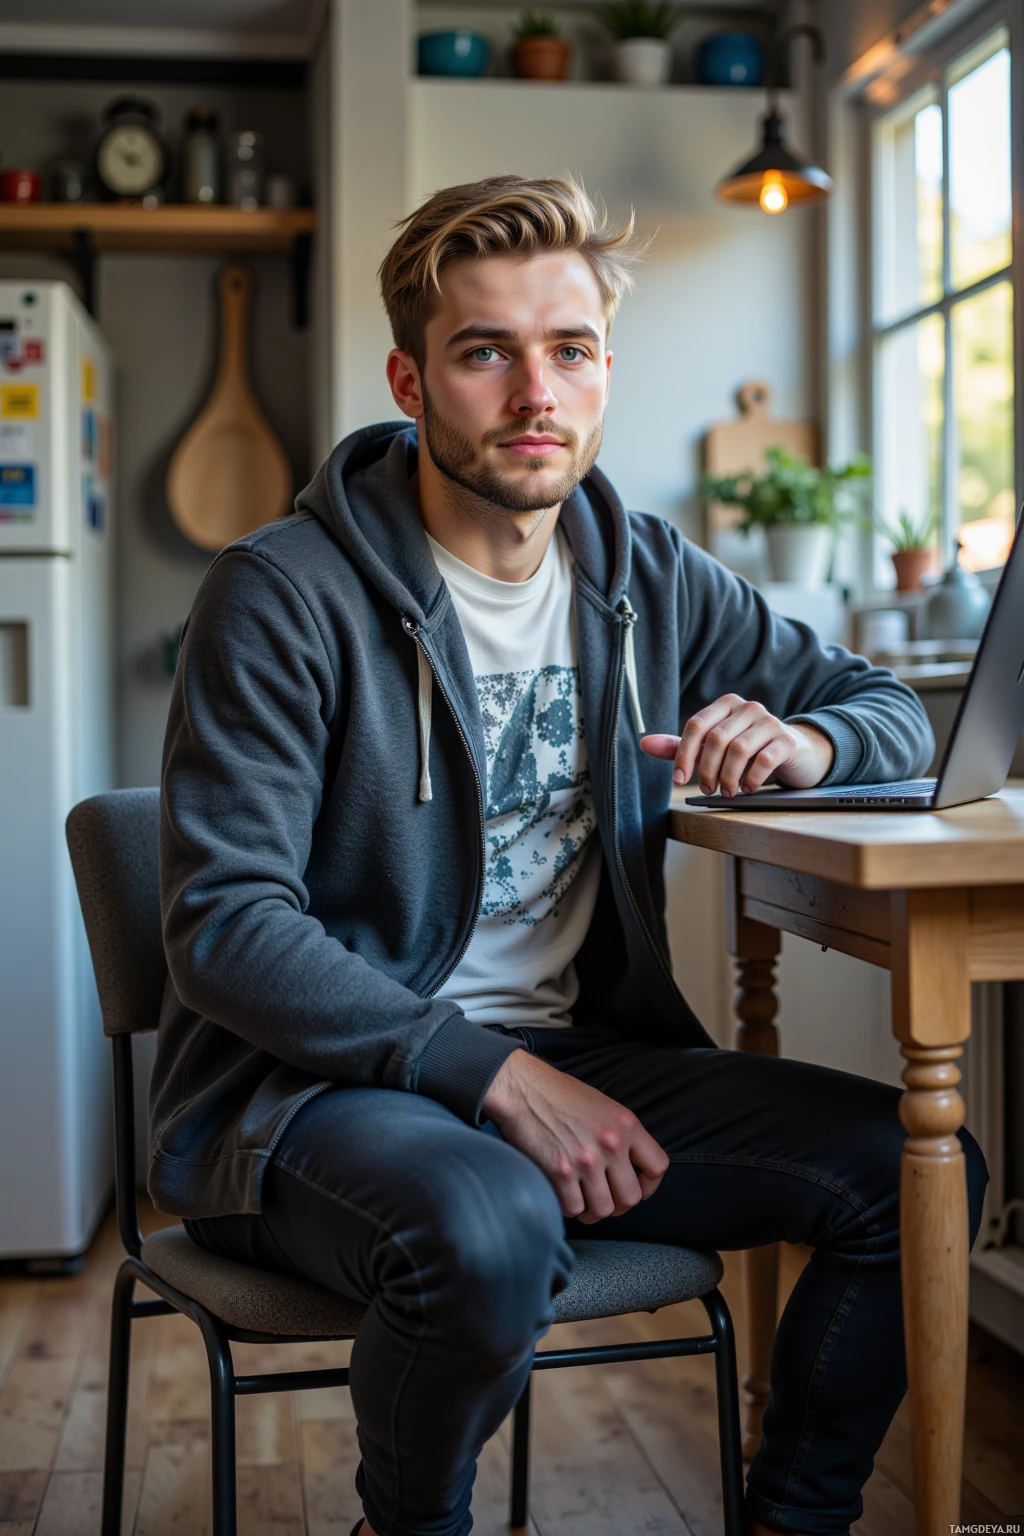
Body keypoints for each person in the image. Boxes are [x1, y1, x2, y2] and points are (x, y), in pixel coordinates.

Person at [153, 175, 987, 1536]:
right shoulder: (282, 593)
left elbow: (885, 705)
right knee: (489, 1233)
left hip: (573, 1054)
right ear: (412, 383)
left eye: (571, 349)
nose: (536, 392)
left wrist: (804, 746)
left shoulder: (642, 569)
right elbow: (227, 926)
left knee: (910, 1177)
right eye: (486, 352)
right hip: (310, 1097)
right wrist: (494, 1078)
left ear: (606, 370)